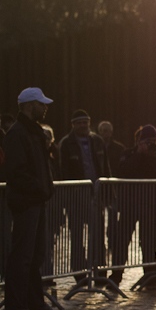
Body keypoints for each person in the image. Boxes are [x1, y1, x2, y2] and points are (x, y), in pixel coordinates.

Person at [2, 87, 60, 310]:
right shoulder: (18, 133)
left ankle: (34, 302)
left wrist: (45, 187)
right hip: (27, 201)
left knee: (34, 255)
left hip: (35, 199)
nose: (45, 108)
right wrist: (40, 187)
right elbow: (16, 171)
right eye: (40, 104)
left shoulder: (31, 131)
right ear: (29, 105)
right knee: (23, 255)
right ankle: (17, 307)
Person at [110, 124, 156, 288]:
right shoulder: (128, 153)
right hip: (129, 204)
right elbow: (123, 172)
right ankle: (116, 276)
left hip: (148, 204)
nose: (151, 144)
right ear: (139, 141)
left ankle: (151, 276)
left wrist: (149, 155)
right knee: (122, 241)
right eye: (147, 141)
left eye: (153, 140)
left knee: (149, 241)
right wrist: (138, 154)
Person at [58, 109, 110, 282]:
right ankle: (80, 273)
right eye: (79, 123)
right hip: (76, 195)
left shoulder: (97, 141)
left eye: (85, 122)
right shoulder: (66, 144)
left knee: (98, 234)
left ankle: (100, 271)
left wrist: (108, 192)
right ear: (73, 125)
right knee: (77, 236)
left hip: (96, 194)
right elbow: (62, 171)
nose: (83, 125)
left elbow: (105, 167)